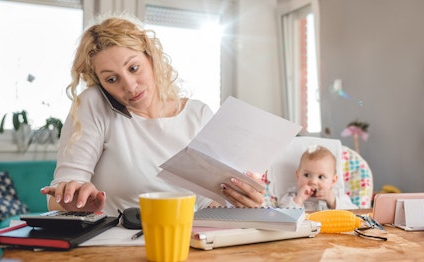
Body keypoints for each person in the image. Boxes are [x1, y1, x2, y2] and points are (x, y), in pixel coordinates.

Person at [40, 14, 265, 216]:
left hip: (184, 241)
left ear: (151, 58)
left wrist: (242, 203)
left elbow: (209, 204)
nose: (129, 86)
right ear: (101, 83)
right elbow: (57, 196)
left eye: (133, 68)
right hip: (114, 246)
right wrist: (75, 200)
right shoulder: (94, 104)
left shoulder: (198, 114)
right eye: (111, 79)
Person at [279, 145, 357, 210]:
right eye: (307, 175)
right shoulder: (292, 196)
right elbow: (284, 218)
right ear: (298, 176)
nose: (313, 181)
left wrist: (333, 202)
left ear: (333, 180)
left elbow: (354, 213)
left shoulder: (338, 195)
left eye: (321, 177)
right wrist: (299, 199)